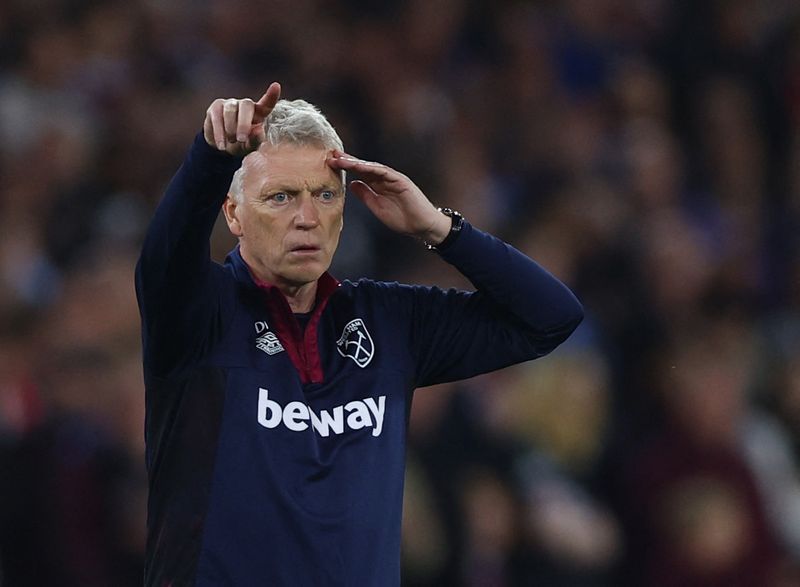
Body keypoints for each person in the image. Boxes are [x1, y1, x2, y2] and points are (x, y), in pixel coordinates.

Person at [135, 81, 583, 586]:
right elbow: (164, 259)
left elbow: (551, 317)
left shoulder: (388, 320)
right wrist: (209, 159)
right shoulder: (200, 316)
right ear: (234, 213)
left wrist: (438, 228)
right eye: (280, 197)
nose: (307, 218)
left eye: (324, 195)